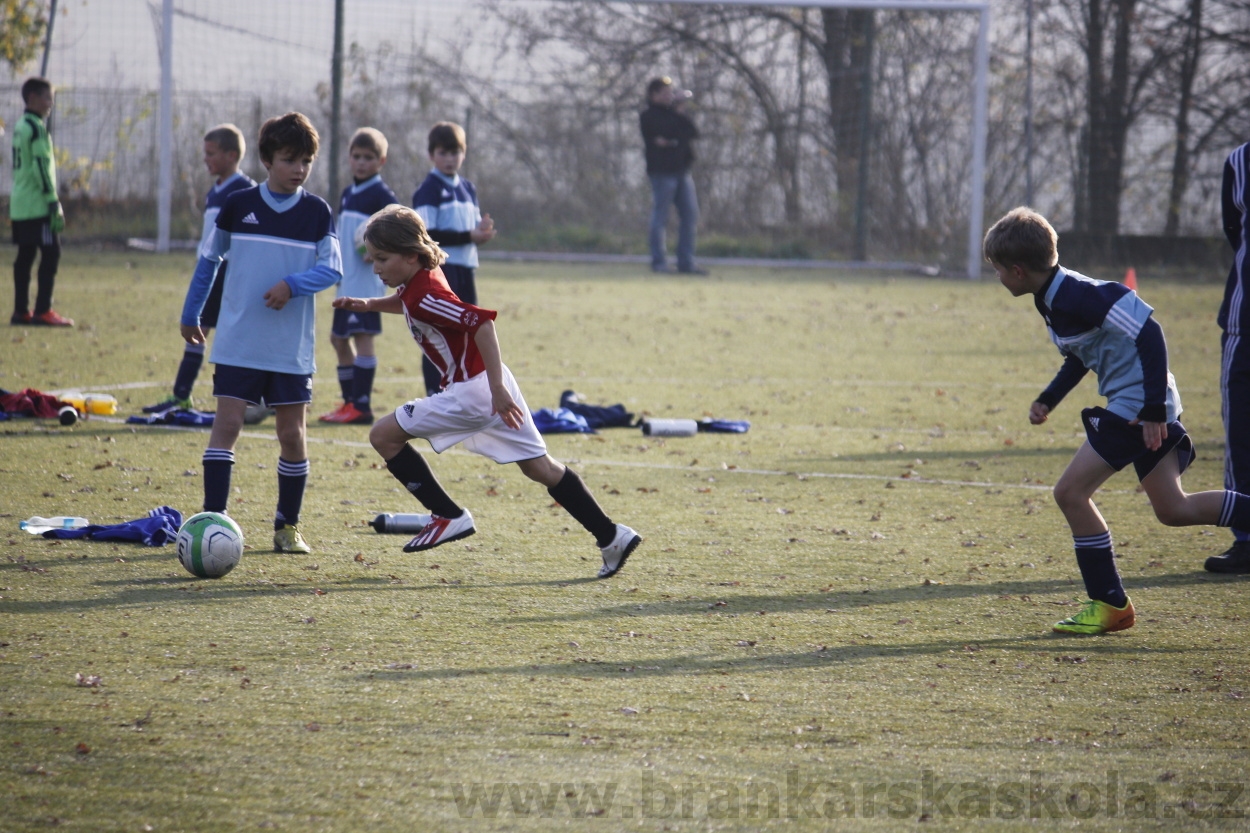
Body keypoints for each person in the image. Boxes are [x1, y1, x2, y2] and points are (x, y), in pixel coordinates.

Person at [333, 205, 640, 579]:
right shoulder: (421, 278)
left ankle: (447, 515)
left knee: (382, 436)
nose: (375, 267)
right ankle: (612, 536)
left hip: (474, 393)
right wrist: (368, 304)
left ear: (410, 254)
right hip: (492, 385)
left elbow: (481, 324)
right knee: (540, 467)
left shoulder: (423, 295)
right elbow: (410, 303)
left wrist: (495, 390)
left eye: (381, 258)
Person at [984, 206, 1250, 634]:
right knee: (1174, 508)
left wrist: (1152, 410)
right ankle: (1112, 606)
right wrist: (1049, 398)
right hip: (1143, 399)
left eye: (997, 270)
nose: (996, 277)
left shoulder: (1079, 294)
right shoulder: (1050, 298)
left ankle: (1109, 603)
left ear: (1017, 271)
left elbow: (1149, 332)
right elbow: (1082, 355)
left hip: (1138, 403)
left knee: (1070, 493)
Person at [179, 112, 342, 554]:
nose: (299, 169)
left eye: (306, 161)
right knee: (227, 425)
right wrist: (191, 312)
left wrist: (292, 285)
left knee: (292, 435)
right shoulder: (238, 205)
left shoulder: (316, 212)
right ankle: (213, 521)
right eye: (289, 159)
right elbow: (209, 260)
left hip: (289, 347)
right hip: (239, 341)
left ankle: (287, 527)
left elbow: (332, 269)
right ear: (267, 160)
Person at [144, 124, 256, 413]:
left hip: (230, 273)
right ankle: (182, 395)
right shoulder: (214, 192)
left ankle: (253, 398)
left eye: (211, 153)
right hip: (210, 272)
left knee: (234, 335)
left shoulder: (246, 190)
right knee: (197, 329)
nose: (205, 159)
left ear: (232, 156)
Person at [318, 127, 398, 425]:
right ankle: (350, 402)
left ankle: (361, 405)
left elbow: (397, 229)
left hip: (366, 283)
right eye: (357, 156)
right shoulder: (348, 193)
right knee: (338, 339)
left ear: (381, 161)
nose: (362, 162)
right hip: (346, 279)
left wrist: (380, 250)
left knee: (363, 338)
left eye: (368, 157)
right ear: (349, 158)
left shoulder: (382, 195)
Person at [412, 121, 495, 396]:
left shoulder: (468, 188)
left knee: (468, 331)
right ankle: (435, 393)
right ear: (431, 155)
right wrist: (470, 235)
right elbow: (427, 234)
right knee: (439, 334)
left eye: (455, 152)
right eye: (443, 152)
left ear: (464, 152)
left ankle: (464, 390)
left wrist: (481, 232)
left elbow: (470, 231)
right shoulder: (428, 189)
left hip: (466, 270)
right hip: (442, 272)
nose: (450, 158)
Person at [1207, 141, 1250, 574]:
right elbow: (1234, 230)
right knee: (1241, 430)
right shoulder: (1239, 162)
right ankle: (1247, 539)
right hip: (1245, 322)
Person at [9, 77, 72, 327]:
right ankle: (43, 310)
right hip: (37, 205)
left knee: (25, 255)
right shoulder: (36, 128)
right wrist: (53, 201)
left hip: (20, 203)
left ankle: (20, 311)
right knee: (51, 252)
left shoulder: (20, 125)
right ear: (33, 98)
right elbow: (40, 167)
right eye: (48, 98)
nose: (50, 104)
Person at [639, 76, 705, 275]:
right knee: (660, 217)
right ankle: (659, 262)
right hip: (662, 173)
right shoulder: (649, 115)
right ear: (654, 95)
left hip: (682, 172)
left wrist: (679, 114)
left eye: (671, 92)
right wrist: (673, 137)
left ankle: (686, 263)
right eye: (665, 93)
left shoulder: (675, 114)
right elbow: (662, 133)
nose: (670, 96)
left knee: (690, 215)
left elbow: (692, 132)